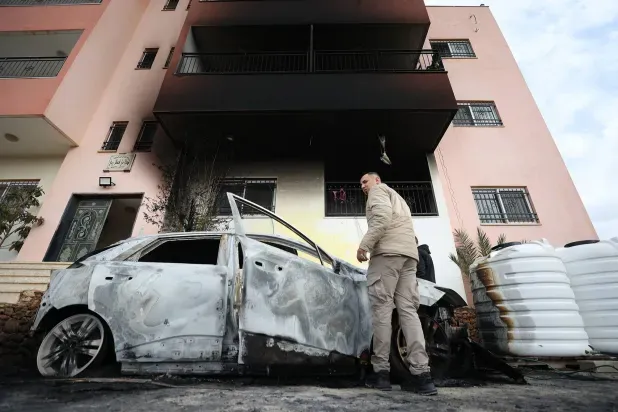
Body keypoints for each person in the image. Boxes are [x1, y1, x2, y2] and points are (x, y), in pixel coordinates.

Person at [356, 172, 437, 396]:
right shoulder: (399, 199)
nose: (362, 186)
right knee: (409, 312)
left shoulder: (378, 191)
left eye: (365, 181)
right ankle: (422, 376)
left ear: (377, 180)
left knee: (382, 311)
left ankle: (381, 373)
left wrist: (364, 245)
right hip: (409, 257)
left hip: (387, 255)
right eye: (361, 183)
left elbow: (381, 219)